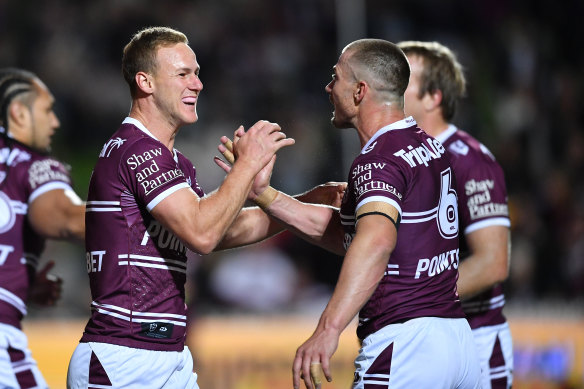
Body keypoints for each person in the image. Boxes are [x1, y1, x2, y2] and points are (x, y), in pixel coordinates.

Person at [65, 26, 335, 389]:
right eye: (182, 74)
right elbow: (202, 233)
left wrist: (299, 201)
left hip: (167, 354)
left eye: (197, 72)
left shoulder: (174, 162)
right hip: (123, 359)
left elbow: (221, 229)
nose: (197, 84)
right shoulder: (137, 150)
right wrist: (245, 167)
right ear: (145, 81)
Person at [217, 38, 481, 389]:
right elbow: (353, 237)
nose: (328, 87)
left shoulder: (378, 160)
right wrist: (263, 194)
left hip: (407, 346)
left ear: (359, 91)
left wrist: (328, 327)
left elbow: (376, 239)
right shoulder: (427, 145)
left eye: (335, 77)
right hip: (458, 342)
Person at [398, 40, 513, 388]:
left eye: (400, 81)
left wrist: (409, 300)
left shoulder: (469, 161)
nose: (387, 88)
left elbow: (492, 262)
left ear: (433, 97)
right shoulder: (400, 159)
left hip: (473, 341)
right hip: (423, 339)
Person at [0, 68, 85, 388]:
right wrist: (159, 213)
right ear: (18, 113)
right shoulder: (33, 165)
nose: (55, 122)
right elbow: (66, 219)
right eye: (47, 110)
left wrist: (19, 284)